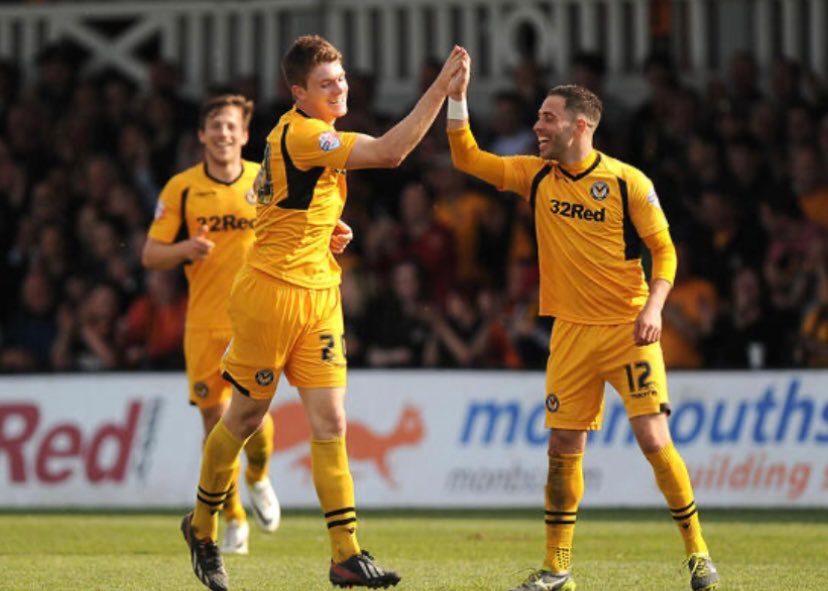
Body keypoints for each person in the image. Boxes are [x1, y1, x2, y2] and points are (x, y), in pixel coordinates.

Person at [179, 36, 468, 591]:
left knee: (332, 423)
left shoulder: (302, 137)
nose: (341, 89)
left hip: (319, 297)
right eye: (327, 83)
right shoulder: (305, 133)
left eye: (342, 80)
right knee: (240, 419)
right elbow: (389, 153)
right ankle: (202, 527)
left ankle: (345, 554)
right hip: (270, 296)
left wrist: (325, 230)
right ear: (299, 93)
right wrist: (440, 87)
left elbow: (278, 198)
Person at [445, 64, 720, 590]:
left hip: (627, 329)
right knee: (562, 453)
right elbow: (466, 157)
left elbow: (664, 251)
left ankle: (698, 554)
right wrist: (458, 98)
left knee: (652, 437)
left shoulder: (627, 182)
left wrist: (655, 307)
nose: (537, 126)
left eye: (548, 118)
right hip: (570, 334)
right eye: (538, 117)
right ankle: (557, 568)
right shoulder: (536, 175)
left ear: (580, 125)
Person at [143, 95, 288, 555]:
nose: (224, 134)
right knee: (215, 425)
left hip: (254, 319)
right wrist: (185, 249)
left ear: (244, 135)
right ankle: (234, 518)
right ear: (202, 136)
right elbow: (150, 254)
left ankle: (259, 476)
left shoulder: (263, 180)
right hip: (204, 324)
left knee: (255, 417)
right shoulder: (181, 188)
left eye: (231, 127)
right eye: (215, 127)